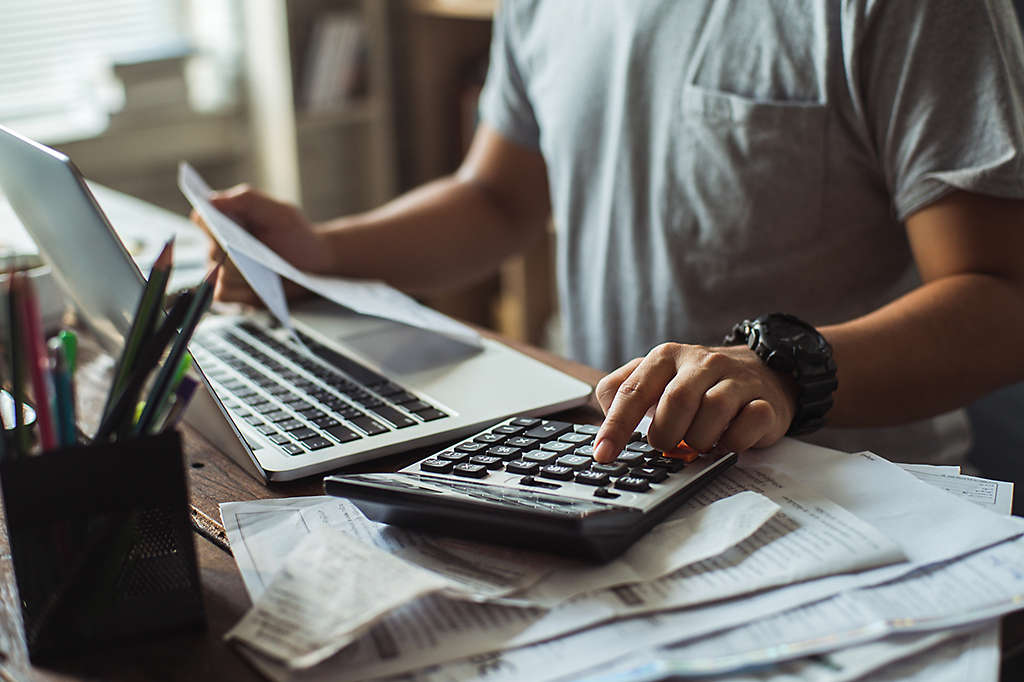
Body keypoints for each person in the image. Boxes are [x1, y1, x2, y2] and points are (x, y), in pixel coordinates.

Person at [200, 0, 1024, 469]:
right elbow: (497, 199)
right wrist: (324, 252)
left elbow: (1001, 299)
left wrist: (779, 370)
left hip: (841, 497)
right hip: (606, 462)